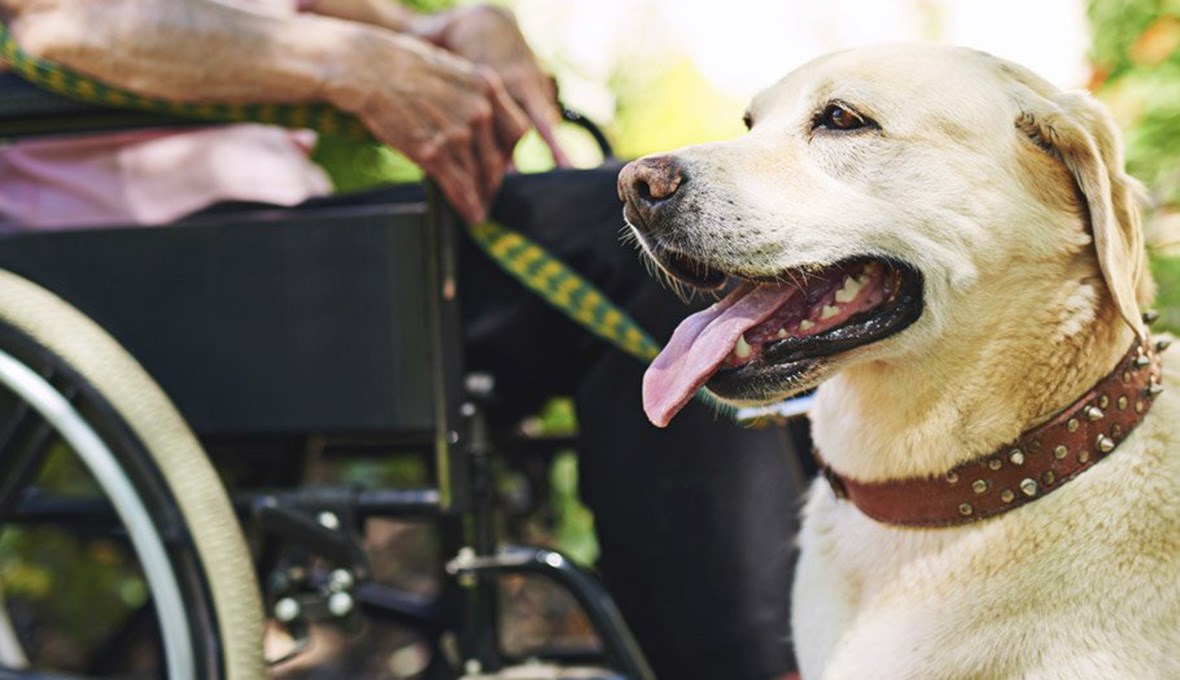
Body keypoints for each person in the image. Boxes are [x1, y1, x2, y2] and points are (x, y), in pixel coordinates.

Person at [0, 2, 805, 678]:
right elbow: (57, 26)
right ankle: (754, 657)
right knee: (622, 244)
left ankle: (778, 630)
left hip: (264, 245)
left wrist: (463, 27)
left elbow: (332, 20)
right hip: (128, 266)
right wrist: (343, 65)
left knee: (687, 274)